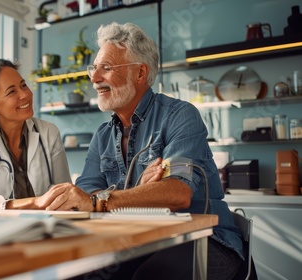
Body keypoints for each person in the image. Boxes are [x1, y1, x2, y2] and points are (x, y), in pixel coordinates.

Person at [40, 23, 245, 279]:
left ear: (140, 73)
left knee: (152, 276)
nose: (94, 78)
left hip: (206, 240)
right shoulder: (103, 135)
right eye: (93, 68)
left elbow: (177, 193)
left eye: (106, 68)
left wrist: (100, 201)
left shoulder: (180, 116)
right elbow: (84, 197)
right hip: (141, 242)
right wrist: (138, 189)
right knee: (80, 273)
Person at [0, 58, 71, 211]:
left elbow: (65, 193)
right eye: (12, 91)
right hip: (1, 230)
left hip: (46, 226)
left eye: (23, 85)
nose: (24, 95)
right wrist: (36, 202)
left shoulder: (48, 132)